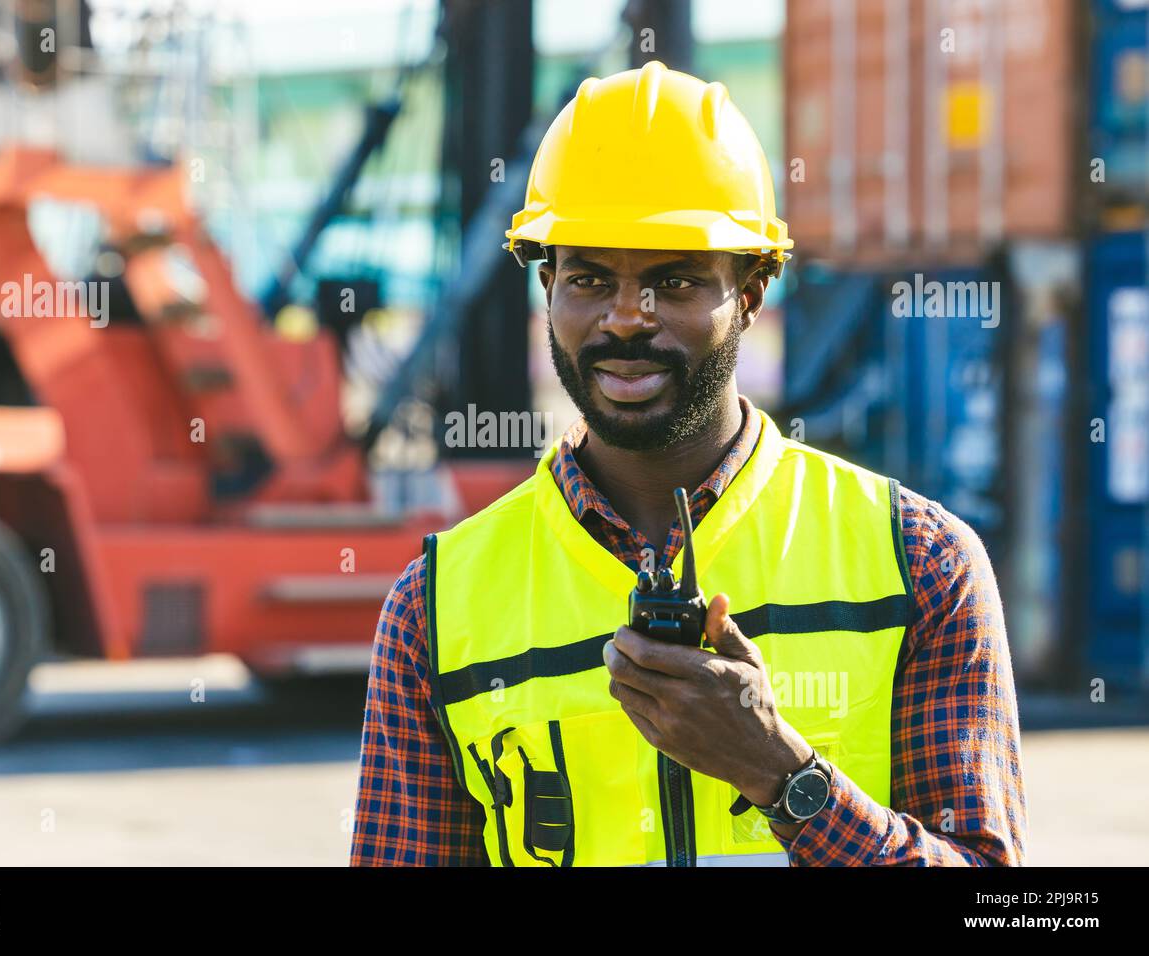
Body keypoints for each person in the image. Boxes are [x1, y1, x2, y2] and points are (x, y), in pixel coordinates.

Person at [350, 61, 1026, 866]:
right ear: (548, 290)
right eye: (590, 278)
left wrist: (782, 774)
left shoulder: (916, 564)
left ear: (752, 290)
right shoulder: (437, 609)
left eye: (673, 281)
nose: (626, 319)